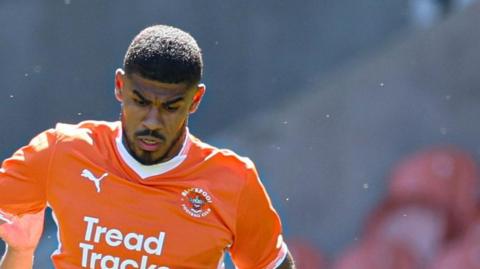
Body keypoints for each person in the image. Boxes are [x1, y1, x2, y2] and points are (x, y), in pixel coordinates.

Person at [0, 25, 295, 269]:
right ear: (119, 86)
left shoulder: (233, 180)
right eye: (141, 102)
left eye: (170, 106)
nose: (152, 122)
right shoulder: (62, 151)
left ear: (195, 101)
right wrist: (20, 253)